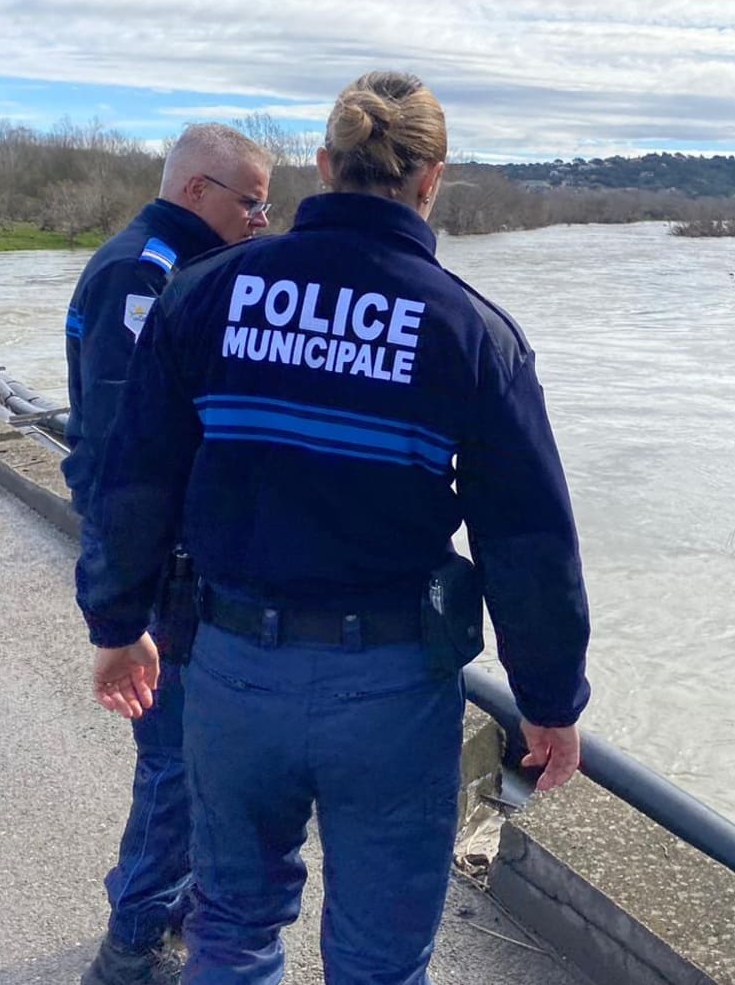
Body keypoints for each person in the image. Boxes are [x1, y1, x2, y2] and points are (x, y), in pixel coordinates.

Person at [79, 71, 590, 984]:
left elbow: (137, 477)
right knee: (379, 959)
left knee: (231, 928)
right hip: (390, 689)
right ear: (432, 178)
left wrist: (118, 626)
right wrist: (550, 702)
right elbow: (528, 540)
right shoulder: (471, 331)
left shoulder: (203, 294)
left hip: (232, 673)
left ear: (323, 165)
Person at [66, 123, 273, 985]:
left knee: (184, 758)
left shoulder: (176, 267)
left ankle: (161, 904)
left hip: (175, 557)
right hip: (165, 565)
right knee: (176, 765)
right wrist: (132, 600)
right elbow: (124, 452)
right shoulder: (142, 274)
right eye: (252, 201)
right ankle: (132, 946)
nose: (264, 219)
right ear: (198, 191)